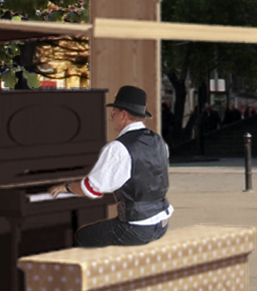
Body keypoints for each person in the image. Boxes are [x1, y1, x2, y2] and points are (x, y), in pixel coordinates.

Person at [49, 84, 172, 247]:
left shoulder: (119, 147)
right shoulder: (158, 141)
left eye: (113, 113)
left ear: (124, 115)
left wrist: (67, 187)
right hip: (162, 222)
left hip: (138, 228)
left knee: (82, 236)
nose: (111, 118)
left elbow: (91, 189)